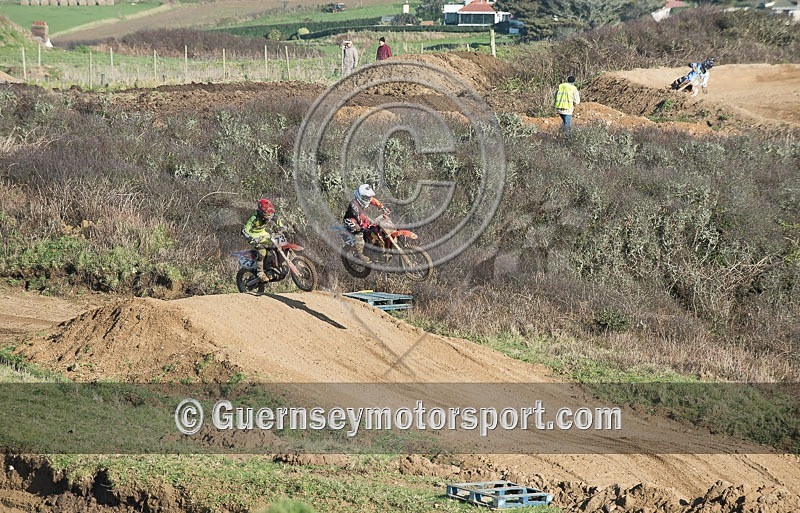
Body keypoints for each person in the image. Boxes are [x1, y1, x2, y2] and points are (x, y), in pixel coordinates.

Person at [343, 184, 389, 263]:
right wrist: (365, 226)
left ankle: (376, 248)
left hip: (361, 217)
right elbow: (358, 220)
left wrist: (382, 207)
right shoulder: (354, 206)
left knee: (376, 227)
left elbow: (373, 200)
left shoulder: (365, 198)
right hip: (351, 221)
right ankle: (360, 255)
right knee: (360, 232)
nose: (368, 199)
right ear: (360, 196)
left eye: (368, 197)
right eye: (366, 197)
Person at [242, 198, 284, 282]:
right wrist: (250, 237)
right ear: (261, 211)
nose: (268, 215)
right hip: (253, 236)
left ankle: (276, 265)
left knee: (277, 244)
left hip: (263, 234)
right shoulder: (254, 218)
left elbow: (277, 220)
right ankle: (260, 272)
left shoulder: (269, 214)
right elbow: (244, 230)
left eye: (269, 212)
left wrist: (284, 226)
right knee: (262, 251)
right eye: (266, 213)